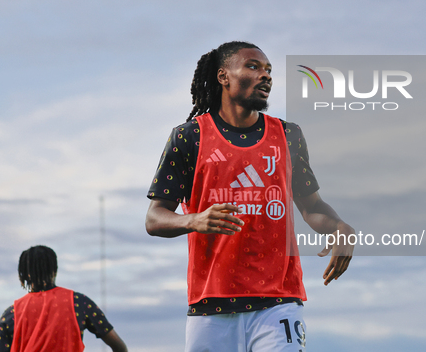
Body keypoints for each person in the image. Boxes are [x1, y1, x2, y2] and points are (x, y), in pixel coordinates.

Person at [145, 41, 354, 351]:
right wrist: (194, 220)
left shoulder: (288, 135)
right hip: (210, 308)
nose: (265, 75)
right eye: (253, 67)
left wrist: (340, 228)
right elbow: (154, 218)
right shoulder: (189, 137)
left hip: (278, 303)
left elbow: (312, 207)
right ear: (223, 77)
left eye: (269, 70)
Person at [0, 245, 128, 352]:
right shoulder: (78, 302)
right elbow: (119, 347)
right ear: (54, 270)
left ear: (24, 275)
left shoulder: (11, 314)